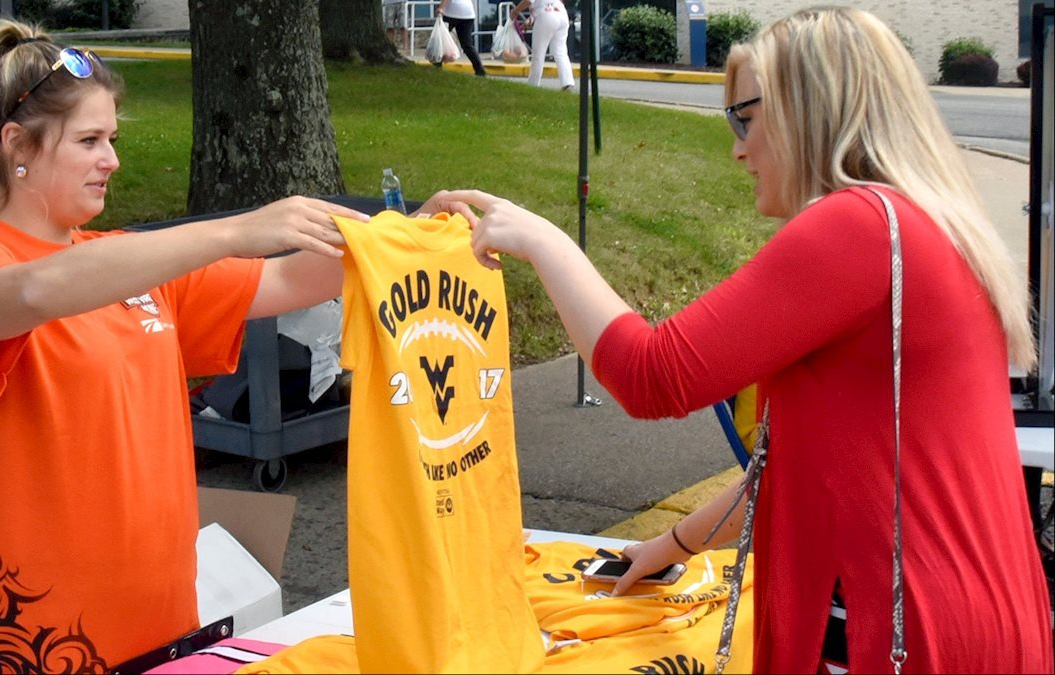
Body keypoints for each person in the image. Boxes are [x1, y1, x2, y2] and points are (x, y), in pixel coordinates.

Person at [447, 6, 1052, 673]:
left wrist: (543, 240)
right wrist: (673, 544)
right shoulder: (927, 223)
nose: (737, 148)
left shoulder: (855, 227)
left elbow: (653, 374)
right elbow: (802, 470)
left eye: (746, 117)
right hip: (970, 608)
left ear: (810, 107)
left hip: (905, 626)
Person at [0, 20, 469, 673]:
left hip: (159, 624)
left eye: (112, 139)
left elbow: (285, 278)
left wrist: (406, 237)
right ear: (16, 146)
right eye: (90, 140)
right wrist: (234, 230)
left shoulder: (130, 265)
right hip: (30, 637)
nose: (112, 160)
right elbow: (34, 293)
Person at [510, 0, 574, 91]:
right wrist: (531, 19)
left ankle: (533, 85)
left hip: (547, 14)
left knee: (538, 53)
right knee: (560, 51)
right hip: (561, 13)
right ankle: (567, 82)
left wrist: (515, 11)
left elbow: (529, 1)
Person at [436, 0, 486, 77]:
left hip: (451, 13)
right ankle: (479, 70)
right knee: (467, 44)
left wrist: (441, 7)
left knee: (440, 39)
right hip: (468, 13)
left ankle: (436, 66)